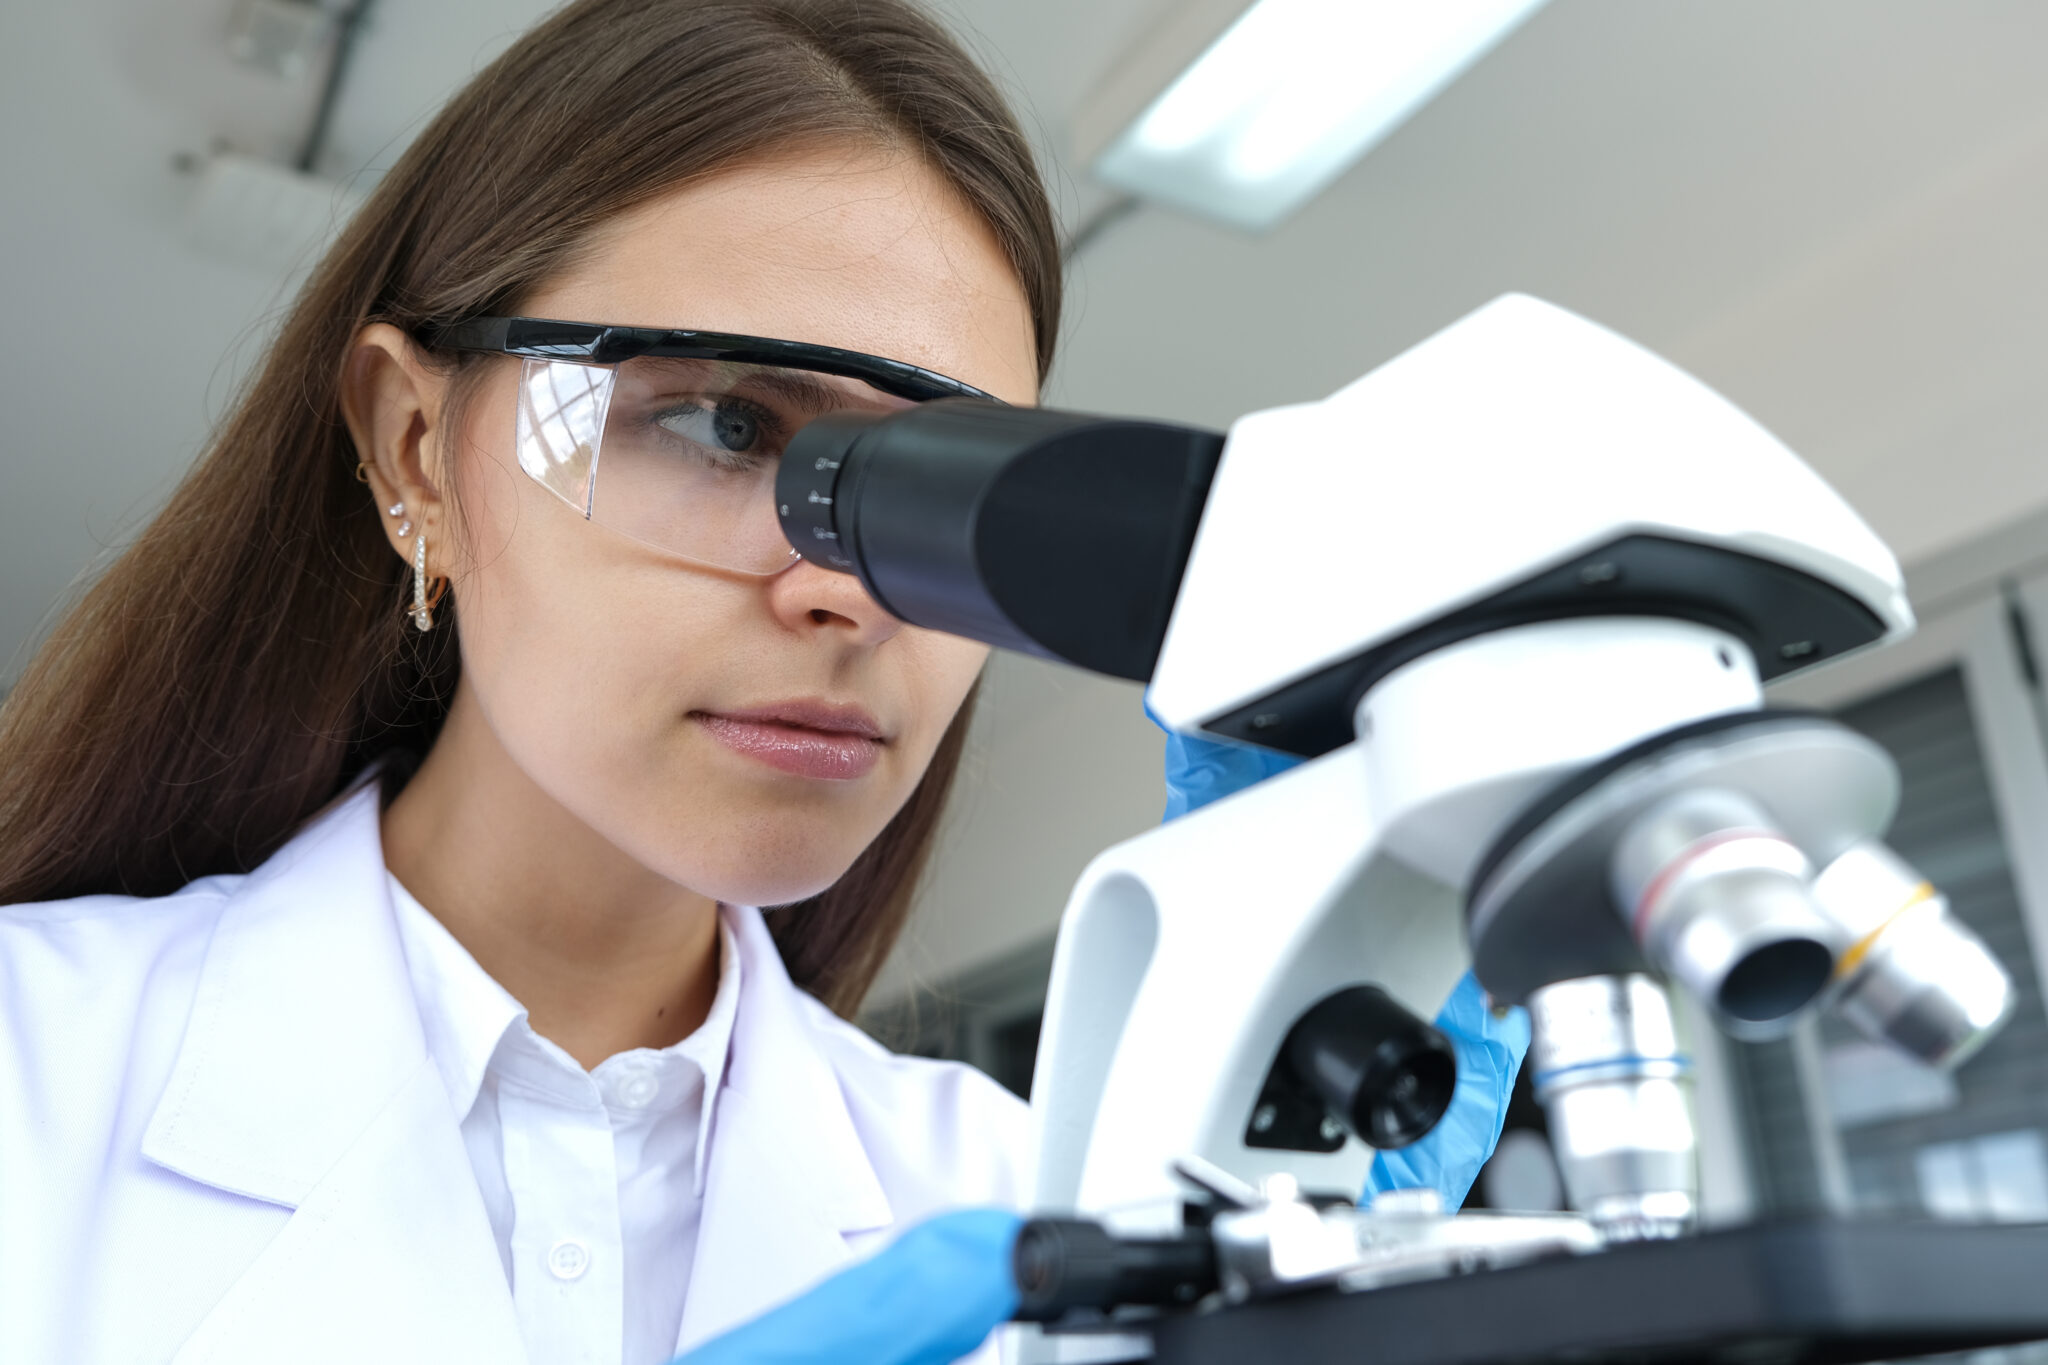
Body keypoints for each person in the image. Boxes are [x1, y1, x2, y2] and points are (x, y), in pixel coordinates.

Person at [0, 1, 1520, 1362]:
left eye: (953, 487)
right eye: (727, 425)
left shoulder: (1036, 1204)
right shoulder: (30, 1075)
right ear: (415, 450)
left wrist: (1268, 1217)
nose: (851, 587)